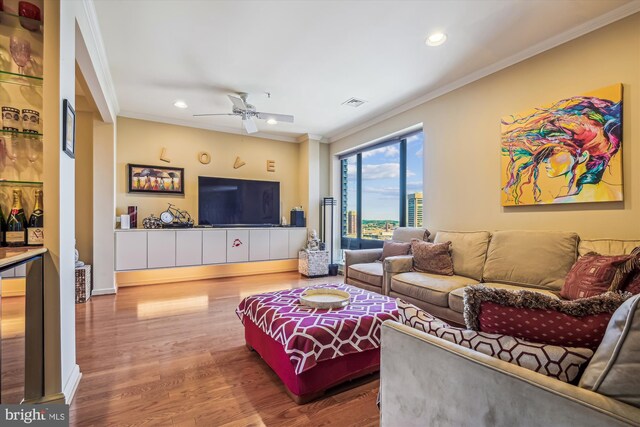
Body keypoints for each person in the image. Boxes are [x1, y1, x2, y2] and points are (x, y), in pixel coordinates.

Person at [502, 95, 622, 205]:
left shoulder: (555, 204)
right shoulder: (617, 194)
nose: (545, 161)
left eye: (553, 152)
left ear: (582, 156)